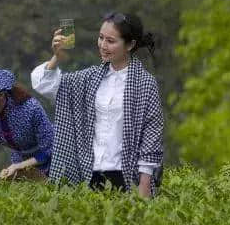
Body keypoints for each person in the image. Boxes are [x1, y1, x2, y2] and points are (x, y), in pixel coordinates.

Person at [31, 12, 163, 197]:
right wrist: (56, 57)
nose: (102, 45)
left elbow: (151, 136)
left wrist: (144, 186)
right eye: (101, 38)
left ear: (130, 45)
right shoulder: (89, 78)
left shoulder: (145, 83)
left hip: (125, 176)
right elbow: (44, 85)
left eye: (111, 41)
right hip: (89, 174)